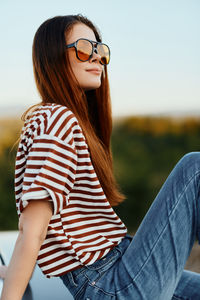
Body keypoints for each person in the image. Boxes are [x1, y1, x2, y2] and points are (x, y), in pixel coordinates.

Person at [1, 14, 200, 300]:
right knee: (195, 169)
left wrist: (14, 272)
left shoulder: (60, 121)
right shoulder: (57, 119)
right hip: (107, 285)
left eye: (100, 51)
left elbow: (49, 229)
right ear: (53, 57)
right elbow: (33, 228)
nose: (96, 58)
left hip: (121, 265)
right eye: (84, 48)